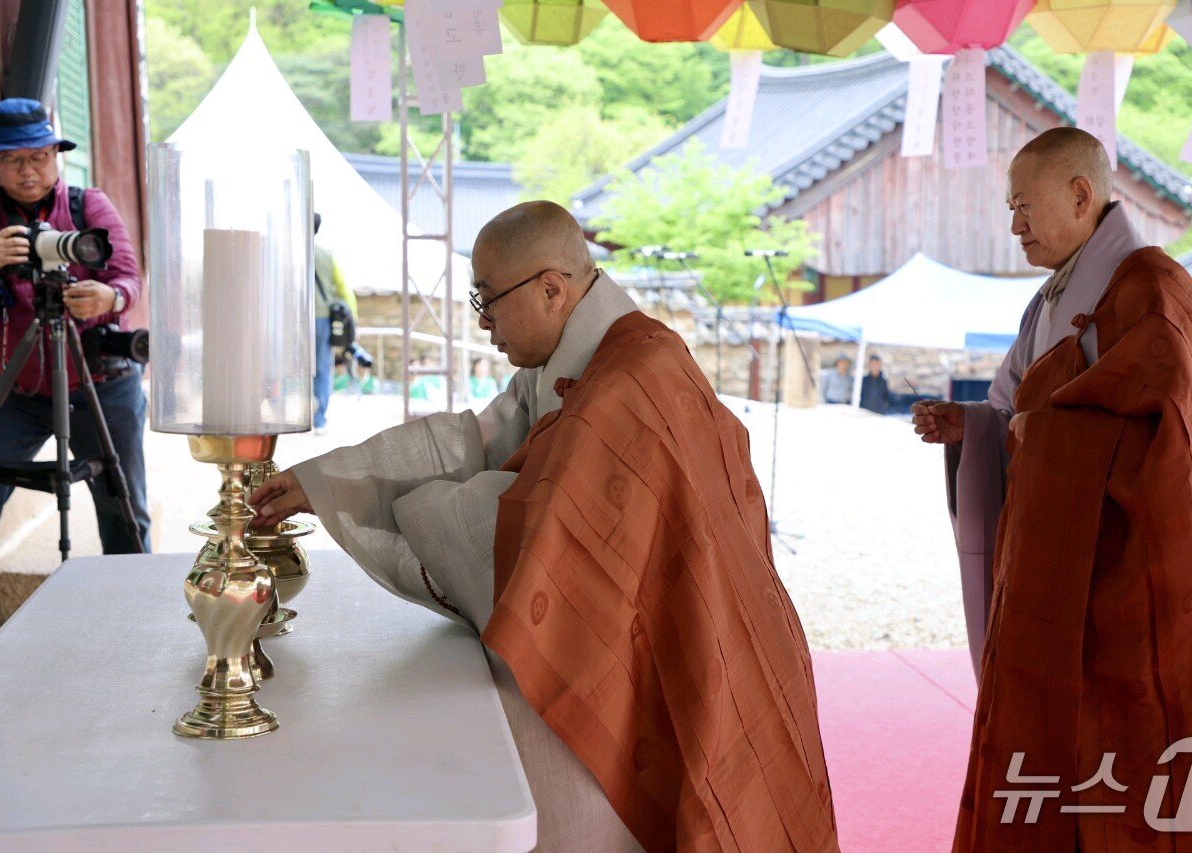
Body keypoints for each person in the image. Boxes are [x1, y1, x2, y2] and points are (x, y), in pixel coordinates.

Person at [250, 201, 837, 851]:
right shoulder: (583, 358)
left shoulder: (631, 381)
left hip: (685, 645)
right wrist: (327, 479)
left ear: (551, 289)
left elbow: (514, 528)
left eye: (488, 299)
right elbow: (481, 441)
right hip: (673, 630)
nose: (484, 322)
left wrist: (413, 508)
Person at [912, 128, 1192, 847]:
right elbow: (1023, 411)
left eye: (1024, 206)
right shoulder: (1053, 295)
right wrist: (974, 425)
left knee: (1133, 743)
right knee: (1049, 740)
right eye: (1010, 209)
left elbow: (1179, 442)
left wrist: (1038, 436)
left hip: (1132, 575)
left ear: (1082, 195)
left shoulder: (1153, 289)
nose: (1014, 225)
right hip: (1053, 566)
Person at [0, 98, 149, 553]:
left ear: (55, 155)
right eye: (12, 159)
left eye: (39, 157)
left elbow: (129, 278)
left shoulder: (88, 205)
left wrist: (109, 297)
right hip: (17, 389)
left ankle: (132, 596)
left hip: (100, 384)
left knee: (123, 509)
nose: (28, 171)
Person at [312, 211, 356, 433]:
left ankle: (294, 416)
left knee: (293, 369)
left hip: (296, 320)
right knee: (322, 368)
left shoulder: (288, 253)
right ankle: (319, 420)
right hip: (322, 318)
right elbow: (344, 289)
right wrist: (353, 320)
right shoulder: (327, 256)